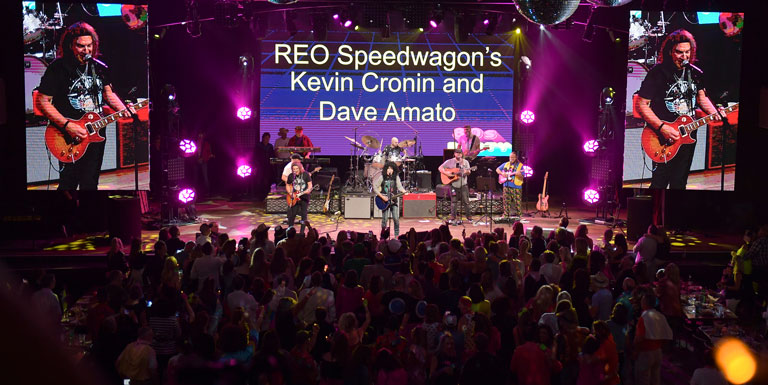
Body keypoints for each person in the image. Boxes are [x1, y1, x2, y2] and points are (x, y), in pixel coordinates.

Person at [35, 21, 135, 190]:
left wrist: (123, 110)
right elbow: (43, 101)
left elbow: (108, 94)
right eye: (81, 46)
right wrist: (67, 126)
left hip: (96, 132)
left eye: (89, 46)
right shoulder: (58, 68)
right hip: (69, 135)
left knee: (90, 183)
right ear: (70, 46)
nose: (86, 51)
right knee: (68, 184)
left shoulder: (99, 67)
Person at [635, 29, 724, 189]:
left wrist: (714, 113)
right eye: (679, 52)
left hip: (688, 133)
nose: (684, 57)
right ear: (670, 51)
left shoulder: (695, 73)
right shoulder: (658, 73)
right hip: (663, 136)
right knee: (659, 182)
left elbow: (701, 98)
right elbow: (641, 104)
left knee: (679, 182)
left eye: (687, 52)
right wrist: (662, 128)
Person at [373, 162, 407, 237]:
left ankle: (396, 236)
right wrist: (382, 197)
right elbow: (375, 187)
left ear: (394, 170)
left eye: (391, 168)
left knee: (396, 219)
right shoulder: (382, 177)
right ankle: (383, 235)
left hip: (393, 201)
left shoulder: (396, 178)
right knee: (384, 220)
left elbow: (400, 187)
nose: (389, 170)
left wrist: (404, 191)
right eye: (388, 168)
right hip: (384, 201)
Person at [438, 148, 473, 222]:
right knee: (454, 202)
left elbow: (469, 172)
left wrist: (466, 172)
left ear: (462, 154)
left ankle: (469, 217)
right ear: (454, 154)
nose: (459, 154)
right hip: (453, 185)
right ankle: (453, 217)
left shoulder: (465, 162)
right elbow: (440, 168)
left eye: (460, 153)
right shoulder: (449, 161)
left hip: (463, 184)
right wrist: (447, 173)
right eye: (457, 153)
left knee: (466, 201)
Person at [286, 162, 313, 234]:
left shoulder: (306, 175)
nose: (295, 170)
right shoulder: (291, 176)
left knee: (304, 215)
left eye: (297, 169)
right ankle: (290, 232)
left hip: (304, 197)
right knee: (292, 214)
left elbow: (310, 186)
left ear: (300, 168)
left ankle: (302, 232)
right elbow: (288, 185)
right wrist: (290, 193)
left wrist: (308, 190)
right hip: (294, 198)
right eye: (293, 169)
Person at [496, 151, 524, 218]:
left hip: (516, 186)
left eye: (513, 157)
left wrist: (518, 174)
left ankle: (519, 216)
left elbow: (522, 176)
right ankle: (505, 215)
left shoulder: (520, 166)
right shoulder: (506, 164)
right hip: (506, 185)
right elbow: (497, 169)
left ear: (516, 157)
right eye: (510, 157)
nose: (511, 158)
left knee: (517, 202)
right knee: (506, 201)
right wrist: (502, 174)